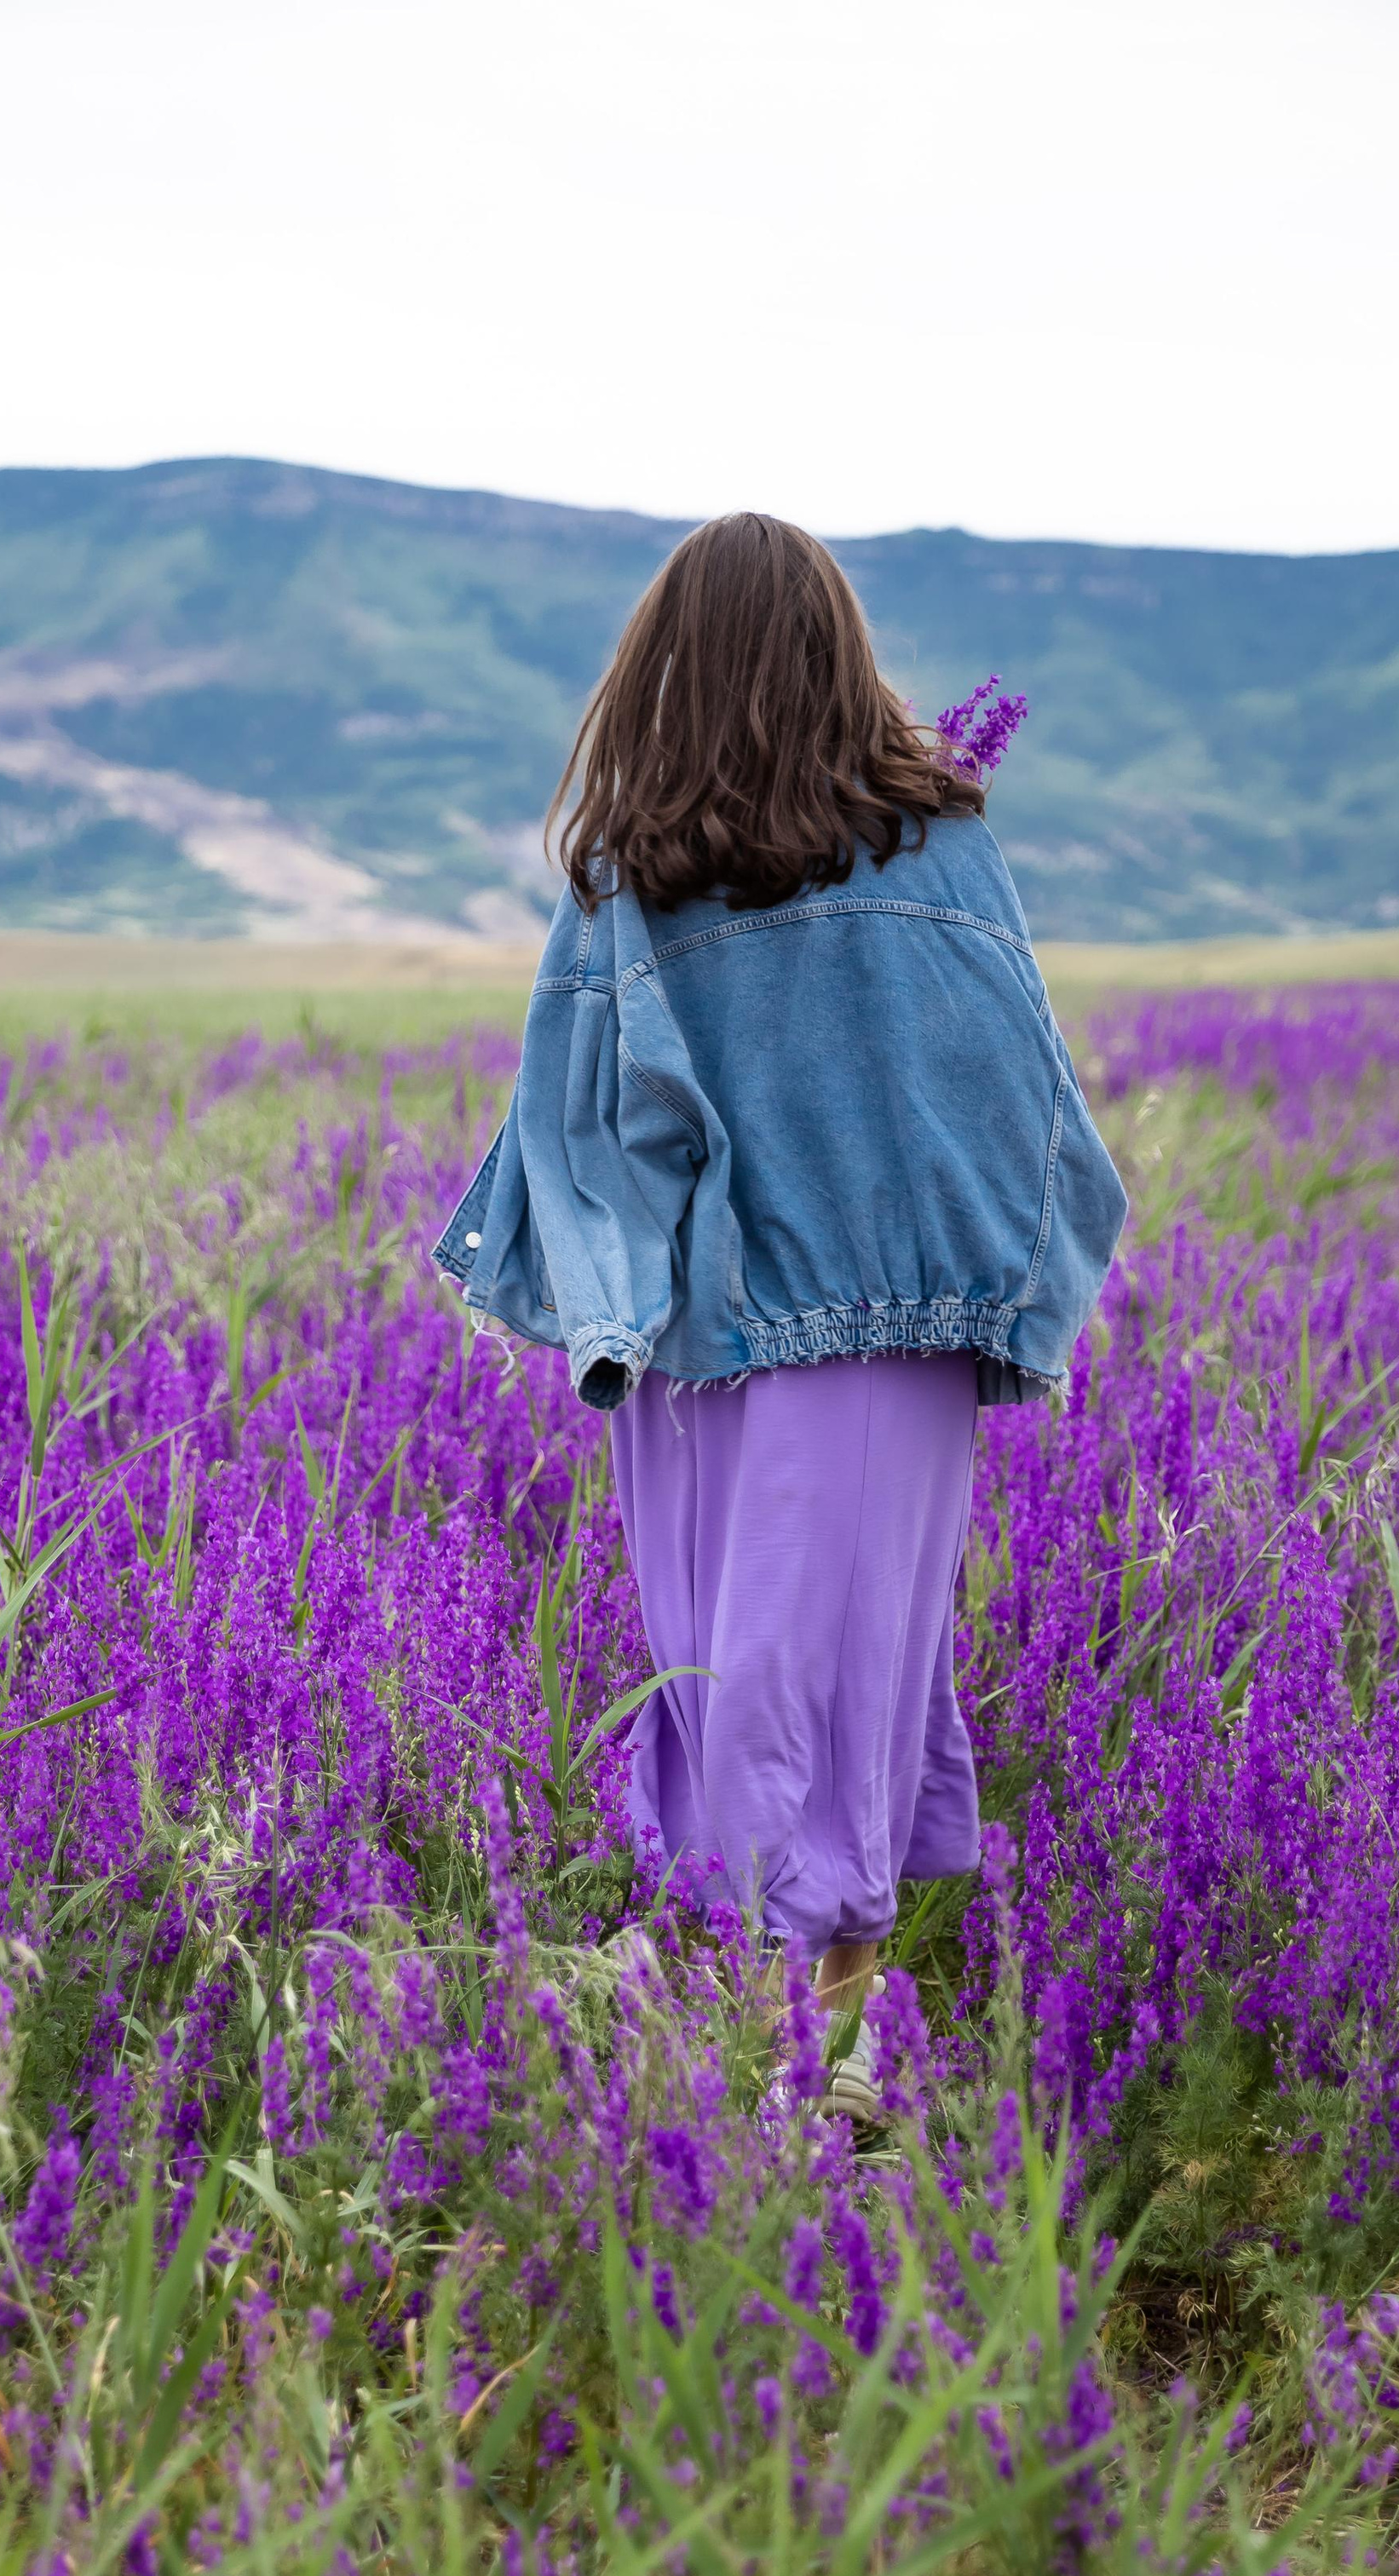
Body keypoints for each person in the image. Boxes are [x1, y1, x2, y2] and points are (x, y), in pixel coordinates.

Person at [431, 512, 1126, 2117]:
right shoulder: (944, 852)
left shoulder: (633, 878)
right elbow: (1033, 1114)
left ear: (662, 670)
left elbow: (589, 1130)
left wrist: (603, 1298)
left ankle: (765, 2066)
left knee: (724, 1672)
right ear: (839, 654)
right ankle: (812, 2059)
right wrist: (1005, 1303)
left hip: (701, 1346)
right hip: (894, 1353)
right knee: (859, 1672)